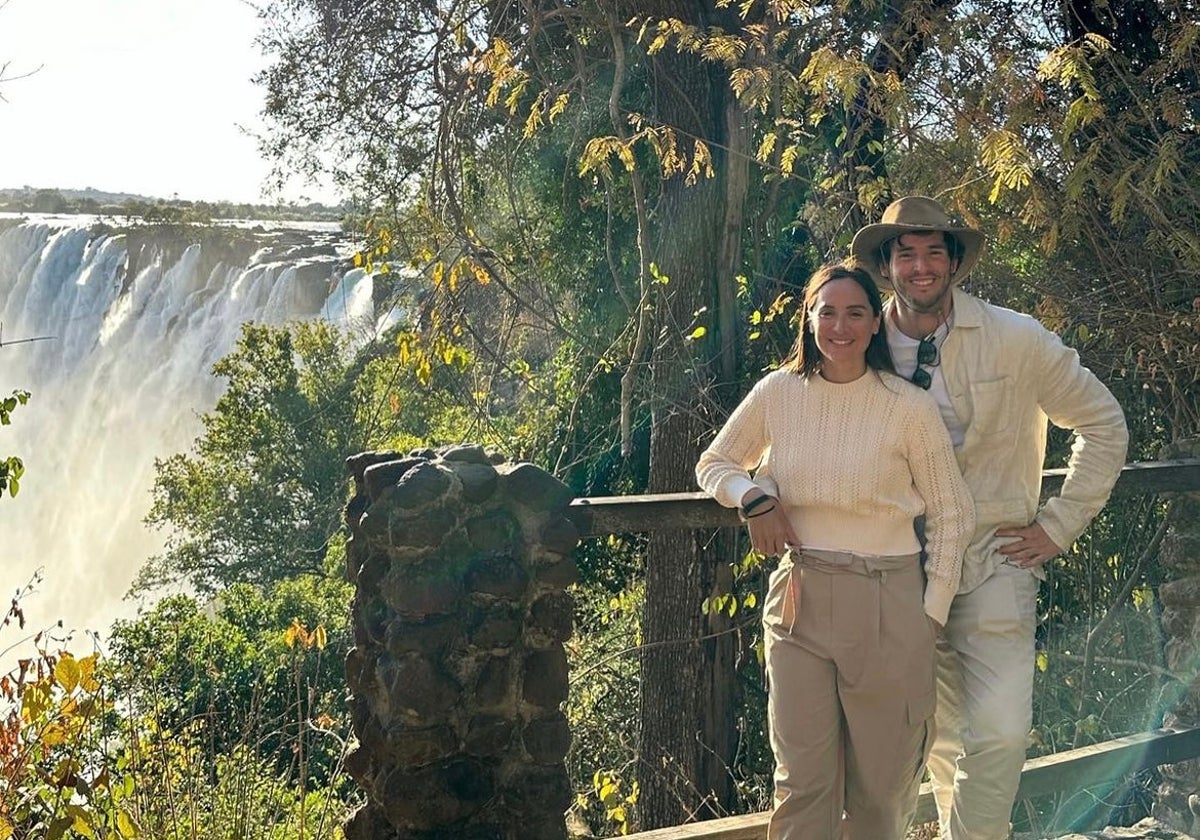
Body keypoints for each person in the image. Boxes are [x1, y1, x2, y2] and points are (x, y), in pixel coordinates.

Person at [850, 195, 1129, 840]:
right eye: (905, 253)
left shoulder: (1017, 337)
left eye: (932, 253)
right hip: (896, 566)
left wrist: (1058, 526)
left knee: (1000, 730)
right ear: (887, 265)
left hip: (994, 557)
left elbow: (1104, 423)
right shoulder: (857, 340)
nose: (920, 267)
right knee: (940, 735)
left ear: (954, 263)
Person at [695, 263, 975, 840]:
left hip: (890, 604)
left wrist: (931, 613)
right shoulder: (778, 393)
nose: (839, 326)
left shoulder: (907, 408)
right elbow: (714, 463)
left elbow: (952, 512)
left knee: (881, 791)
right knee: (802, 785)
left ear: (876, 323)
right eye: (827, 312)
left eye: (854, 313)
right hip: (799, 601)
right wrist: (755, 498)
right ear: (809, 320)